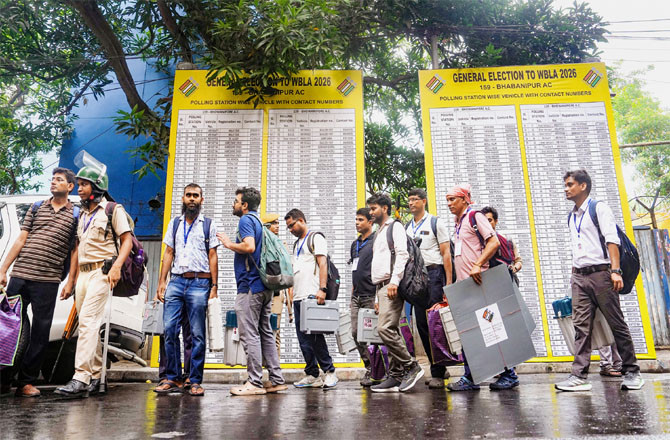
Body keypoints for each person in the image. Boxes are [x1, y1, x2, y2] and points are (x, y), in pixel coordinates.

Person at [555, 169, 644, 391]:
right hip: (579, 277)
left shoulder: (599, 209)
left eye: (570, 184)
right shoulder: (572, 216)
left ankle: (632, 372)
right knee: (581, 327)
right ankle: (579, 376)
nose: (566, 189)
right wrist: (574, 275)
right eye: (565, 185)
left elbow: (612, 241)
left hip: (602, 275)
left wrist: (615, 271)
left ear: (583, 186)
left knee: (616, 323)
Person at [55, 163, 133, 398]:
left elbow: (127, 241)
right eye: (78, 184)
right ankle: (97, 375)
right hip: (83, 274)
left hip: (102, 272)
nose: (79, 188)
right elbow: (77, 248)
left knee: (88, 322)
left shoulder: (112, 209)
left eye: (84, 184)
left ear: (97, 187)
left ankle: (81, 377)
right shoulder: (82, 214)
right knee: (88, 325)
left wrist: (116, 267)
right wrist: (71, 280)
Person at [0, 168, 78, 397]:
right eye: (52, 179)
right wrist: (3, 269)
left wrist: (70, 282)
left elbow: (75, 251)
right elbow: (21, 239)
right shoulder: (36, 207)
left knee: (40, 332)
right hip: (20, 276)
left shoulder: (75, 215)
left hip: (48, 280)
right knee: (9, 328)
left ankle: (26, 382)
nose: (53, 182)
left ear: (70, 186)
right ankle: (3, 380)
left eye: (59, 180)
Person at [218, 188, 287, 395]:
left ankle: (254, 382)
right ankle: (276, 380)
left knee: (249, 334)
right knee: (266, 333)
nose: (233, 204)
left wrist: (228, 244)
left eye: (236, 201)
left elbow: (249, 247)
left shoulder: (246, 220)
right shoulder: (258, 221)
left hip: (250, 286)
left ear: (245, 205)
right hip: (265, 286)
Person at [153, 183, 219, 397]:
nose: (192, 198)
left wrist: (214, 286)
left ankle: (195, 380)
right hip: (176, 281)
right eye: (188, 195)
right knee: (169, 330)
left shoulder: (208, 224)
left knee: (197, 334)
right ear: (183, 198)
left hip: (200, 283)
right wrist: (162, 282)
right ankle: (173, 377)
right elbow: (168, 253)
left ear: (201, 200)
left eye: (195, 196)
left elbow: (213, 256)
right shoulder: (174, 224)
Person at [444, 184, 502, 392]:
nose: (449, 204)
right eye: (447, 200)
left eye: (453, 199)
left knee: (491, 328)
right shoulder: (458, 222)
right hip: (465, 287)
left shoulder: (474, 216)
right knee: (469, 333)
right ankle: (471, 377)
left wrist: (478, 264)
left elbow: (493, 242)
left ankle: (508, 374)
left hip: (480, 283)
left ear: (465, 199)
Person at [367, 193, 424, 393]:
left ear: (385, 208)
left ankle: (411, 366)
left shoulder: (395, 227)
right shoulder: (379, 232)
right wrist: (377, 295)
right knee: (392, 330)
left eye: (373, 208)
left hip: (391, 285)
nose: (371, 212)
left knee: (384, 329)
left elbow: (402, 254)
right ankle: (396, 375)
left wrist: (394, 282)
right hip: (381, 286)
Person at [284, 208, 338, 388]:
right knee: (303, 340)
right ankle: (312, 374)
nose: (290, 229)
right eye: (288, 227)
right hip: (298, 297)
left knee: (315, 337)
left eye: (292, 225)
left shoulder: (316, 238)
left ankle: (330, 372)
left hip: (312, 295)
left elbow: (322, 264)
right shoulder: (296, 244)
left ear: (301, 220)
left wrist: (322, 289)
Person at [405, 188, 452, 389]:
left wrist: (448, 283)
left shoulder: (435, 222)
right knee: (422, 325)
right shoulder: (407, 227)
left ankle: (438, 372)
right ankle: (439, 365)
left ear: (424, 201)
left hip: (434, 275)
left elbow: (446, 253)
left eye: (415, 199)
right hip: (417, 279)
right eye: (409, 200)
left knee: (435, 323)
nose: (411, 203)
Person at [480, 205, 523, 390]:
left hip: (506, 285)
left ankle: (510, 369)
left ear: (495, 221)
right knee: (492, 326)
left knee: (507, 326)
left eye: (489, 220)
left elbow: (518, 261)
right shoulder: (479, 243)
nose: (487, 223)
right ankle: (502, 367)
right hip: (487, 289)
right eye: (483, 221)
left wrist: (514, 268)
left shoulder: (507, 240)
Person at [349, 208, 377, 387]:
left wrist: (378, 297)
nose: (357, 223)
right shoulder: (355, 244)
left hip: (371, 295)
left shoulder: (376, 241)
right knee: (355, 332)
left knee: (374, 336)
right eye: (356, 220)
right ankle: (370, 366)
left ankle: (379, 369)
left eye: (361, 220)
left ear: (370, 222)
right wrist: (352, 293)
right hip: (356, 296)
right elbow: (354, 268)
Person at [261, 212, 293, 357]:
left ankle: (274, 366)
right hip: (261, 291)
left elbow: (288, 272)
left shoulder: (282, 245)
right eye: (274, 223)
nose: (277, 226)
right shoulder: (259, 243)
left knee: (275, 330)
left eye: (278, 223)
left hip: (277, 294)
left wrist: (289, 300)